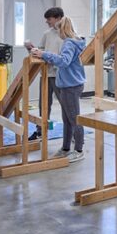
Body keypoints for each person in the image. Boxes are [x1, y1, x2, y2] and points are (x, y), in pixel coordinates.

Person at [31, 17, 86, 162]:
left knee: (74, 119)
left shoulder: (69, 43)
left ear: (62, 29)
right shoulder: (76, 41)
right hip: (71, 84)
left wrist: (44, 54)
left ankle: (79, 150)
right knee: (67, 119)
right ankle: (66, 148)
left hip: (70, 86)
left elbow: (64, 61)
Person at [29, 7, 64, 141]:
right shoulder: (47, 34)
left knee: (65, 105)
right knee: (43, 105)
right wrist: (34, 50)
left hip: (60, 76)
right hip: (45, 74)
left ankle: (72, 134)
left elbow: (65, 58)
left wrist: (51, 58)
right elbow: (41, 50)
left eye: (49, 19)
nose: (47, 22)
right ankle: (40, 131)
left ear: (58, 18)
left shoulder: (67, 35)